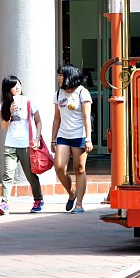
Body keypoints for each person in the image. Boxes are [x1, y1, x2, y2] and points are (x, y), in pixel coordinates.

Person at [0, 75, 44, 215]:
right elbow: (4, 127)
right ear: (7, 89)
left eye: (18, 84)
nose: (17, 87)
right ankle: (4, 203)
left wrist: (37, 138)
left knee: (30, 174)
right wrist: (10, 112)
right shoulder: (4, 104)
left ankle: (38, 199)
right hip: (10, 144)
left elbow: (39, 121)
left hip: (26, 144)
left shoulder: (29, 101)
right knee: (7, 175)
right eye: (13, 85)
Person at [51, 64, 93, 214]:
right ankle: (71, 193)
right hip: (63, 135)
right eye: (58, 75)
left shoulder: (83, 92)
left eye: (61, 75)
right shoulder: (58, 94)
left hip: (79, 135)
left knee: (79, 168)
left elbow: (86, 117)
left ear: (69, 75)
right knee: (59, 167)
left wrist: (88, 138)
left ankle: (79, 204)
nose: (58, 78)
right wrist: (53, 139)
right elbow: (57, 119)